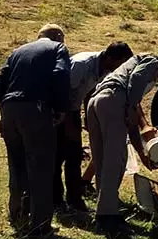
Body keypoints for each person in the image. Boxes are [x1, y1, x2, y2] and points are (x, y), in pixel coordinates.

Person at [86, 50, 158, 235]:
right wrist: (129, 107)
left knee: (102, 159)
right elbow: (136, 80)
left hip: (96, 101)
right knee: (116, 161)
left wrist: (143, 154)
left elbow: (133, 126)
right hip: (112, 100)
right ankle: (108, 218)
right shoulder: (150, 61)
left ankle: (104, 212)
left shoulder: (128, 80)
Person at [0, 24, 70, 236]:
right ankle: (40, 224)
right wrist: (61, 108)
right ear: (58, 36)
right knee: (41, 167)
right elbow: (61, 75)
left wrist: (3, 111)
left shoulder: (17, 51)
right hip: (36, 108)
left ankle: (17, 214)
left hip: (10, 109)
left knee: (16, 164)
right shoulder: (57, 49)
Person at [53, 41, 133, 213]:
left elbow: (91, 92)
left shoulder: (106, 69)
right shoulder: (82, 65)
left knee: (74, 156)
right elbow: (62, 92)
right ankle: (56, 200)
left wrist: (89, 119)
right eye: (122, 63)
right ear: (111, 58)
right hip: (58, 111)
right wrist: (66, 121)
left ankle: (74, 199)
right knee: (59, 156)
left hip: (73, 110)